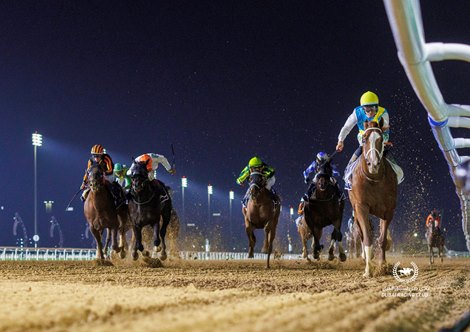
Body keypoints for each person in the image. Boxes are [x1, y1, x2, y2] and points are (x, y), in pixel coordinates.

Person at [335, 91, 391, 189]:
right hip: (363, 137)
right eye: (367, 109)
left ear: (377, 107)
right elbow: (346, 127)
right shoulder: (357, 113)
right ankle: (348, 174)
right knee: (362, 147)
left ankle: (396, 173)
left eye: (372, 108)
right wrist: (340, 141)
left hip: (379, 137)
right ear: (363, 108)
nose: (370, 112)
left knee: (382, 149)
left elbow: (385, 131)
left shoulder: (383, 113)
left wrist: (384, 142)